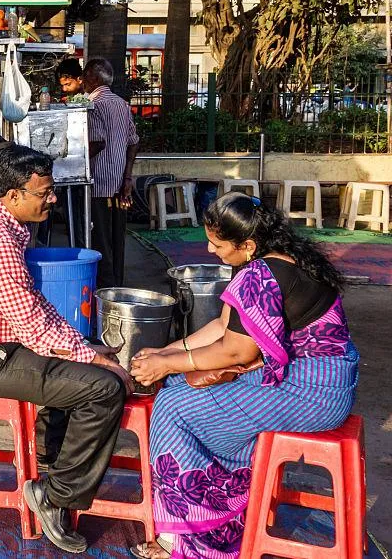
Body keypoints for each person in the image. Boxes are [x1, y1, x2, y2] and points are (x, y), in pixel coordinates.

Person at [129, 192, 359, 559]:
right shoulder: (275, 257)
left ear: (247, 243)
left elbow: (238, 351)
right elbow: (224, 326)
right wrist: (168, 352)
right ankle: (227, 507)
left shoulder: (261, 274)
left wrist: (168, 363)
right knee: (176, 386)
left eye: (217, 243)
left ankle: (195, 537)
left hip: (310, 392)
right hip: (320, 380)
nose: (208, 249)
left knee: (173, 406)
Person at [0, 144, 132, 553]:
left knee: (83, 369)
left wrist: (82, 346)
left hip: (2, 346)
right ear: (12, 196)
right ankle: (54, 494)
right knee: (105, 388)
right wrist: (94, 357)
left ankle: (51, 466)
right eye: (44, 193)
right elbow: (32, 325)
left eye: (51, 190)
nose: (53, 199)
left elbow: (36, 309)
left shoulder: (8, 226)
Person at [84, 57, 138, 289]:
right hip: (118, 185)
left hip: (98, 185)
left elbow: (96, 142)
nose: (82, 81)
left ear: (93, 78)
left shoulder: (92, 104)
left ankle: (105, 294)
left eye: (84, 76)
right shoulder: (122, 105)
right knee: (117, 243)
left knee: (100, 244)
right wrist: (127, 177)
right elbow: (134, 142)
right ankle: (117, 289)